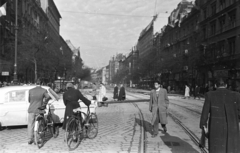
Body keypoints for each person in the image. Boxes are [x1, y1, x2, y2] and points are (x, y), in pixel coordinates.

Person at [200, 78, 240, 153]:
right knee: (231, 148)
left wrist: (203, 126)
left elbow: (204, 113)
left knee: (216, 148)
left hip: (216, 127)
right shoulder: (237, 95)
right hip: (232, 127)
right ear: (226, 85)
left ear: (215, 85)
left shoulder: (209, 95)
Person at [27, 80, 51, 144]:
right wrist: (44, 104)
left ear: (35, 83)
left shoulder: (30, 90)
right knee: (40, 124)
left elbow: (29, 100)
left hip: (31, 110)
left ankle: (30, 139)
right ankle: (37, 138)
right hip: (39, 110)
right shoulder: (43, 90)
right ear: (42, 83)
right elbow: (48, 97)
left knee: (30, 124)